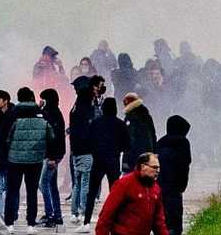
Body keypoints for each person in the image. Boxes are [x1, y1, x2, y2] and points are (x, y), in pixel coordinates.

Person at [4, 86, 54, 232]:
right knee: (32, 192)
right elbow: (51, 135)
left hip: (15, 159)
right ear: (32, 97)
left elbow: (6, 136)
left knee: (12, 191)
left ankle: (9, 223)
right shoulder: (41, 113)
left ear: (18, 98)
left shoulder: (12, 114)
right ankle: (31, 224)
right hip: (35, 160)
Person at [82, 97, 130, 230]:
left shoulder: (96, 123)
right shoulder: (120, 124)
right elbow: (127, 144)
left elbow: (87, 141)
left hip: (97, 160)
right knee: (115, 192)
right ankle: (115, 221)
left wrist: (95, 150)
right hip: (113, 160)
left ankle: (86, 222)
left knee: (92, 192)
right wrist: (117, 150)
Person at [94, 152, 168, 235]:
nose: (158, 171)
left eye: (159, 168)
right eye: (154, 167)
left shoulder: (156, 189)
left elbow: (159, 222)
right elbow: (106, 215)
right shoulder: (124, 184)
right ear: (143, 167)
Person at [154, 116, 191, 235]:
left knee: (161, 221)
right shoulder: (183, 143)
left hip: (159, 189)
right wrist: (182, 186)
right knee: (175, 223)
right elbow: (184, 166)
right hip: (175, 189)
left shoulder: (160, 143)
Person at [68, 76, 98, 225]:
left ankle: (74, 213)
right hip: (86, 150)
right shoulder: (87, 108)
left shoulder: (74, 108)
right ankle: (84, 211)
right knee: (85, 182)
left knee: (77, 182)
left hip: (76, 149)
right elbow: (89, 129)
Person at [39, 87, 68, 229]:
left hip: (52, 155)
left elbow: (52, 138)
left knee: (43, 184)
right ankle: (57, 215)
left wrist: (51, 157)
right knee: (52, 185)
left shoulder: (52, 114)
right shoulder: (53, 112)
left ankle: (50, 214)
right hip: (55, 154)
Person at [121, 93, 156, 173]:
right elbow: (153, 136)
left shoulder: (130, 118)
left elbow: (129, 140)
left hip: (134, 157)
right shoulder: (147, 116)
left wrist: (126, 161)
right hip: (147, 155)